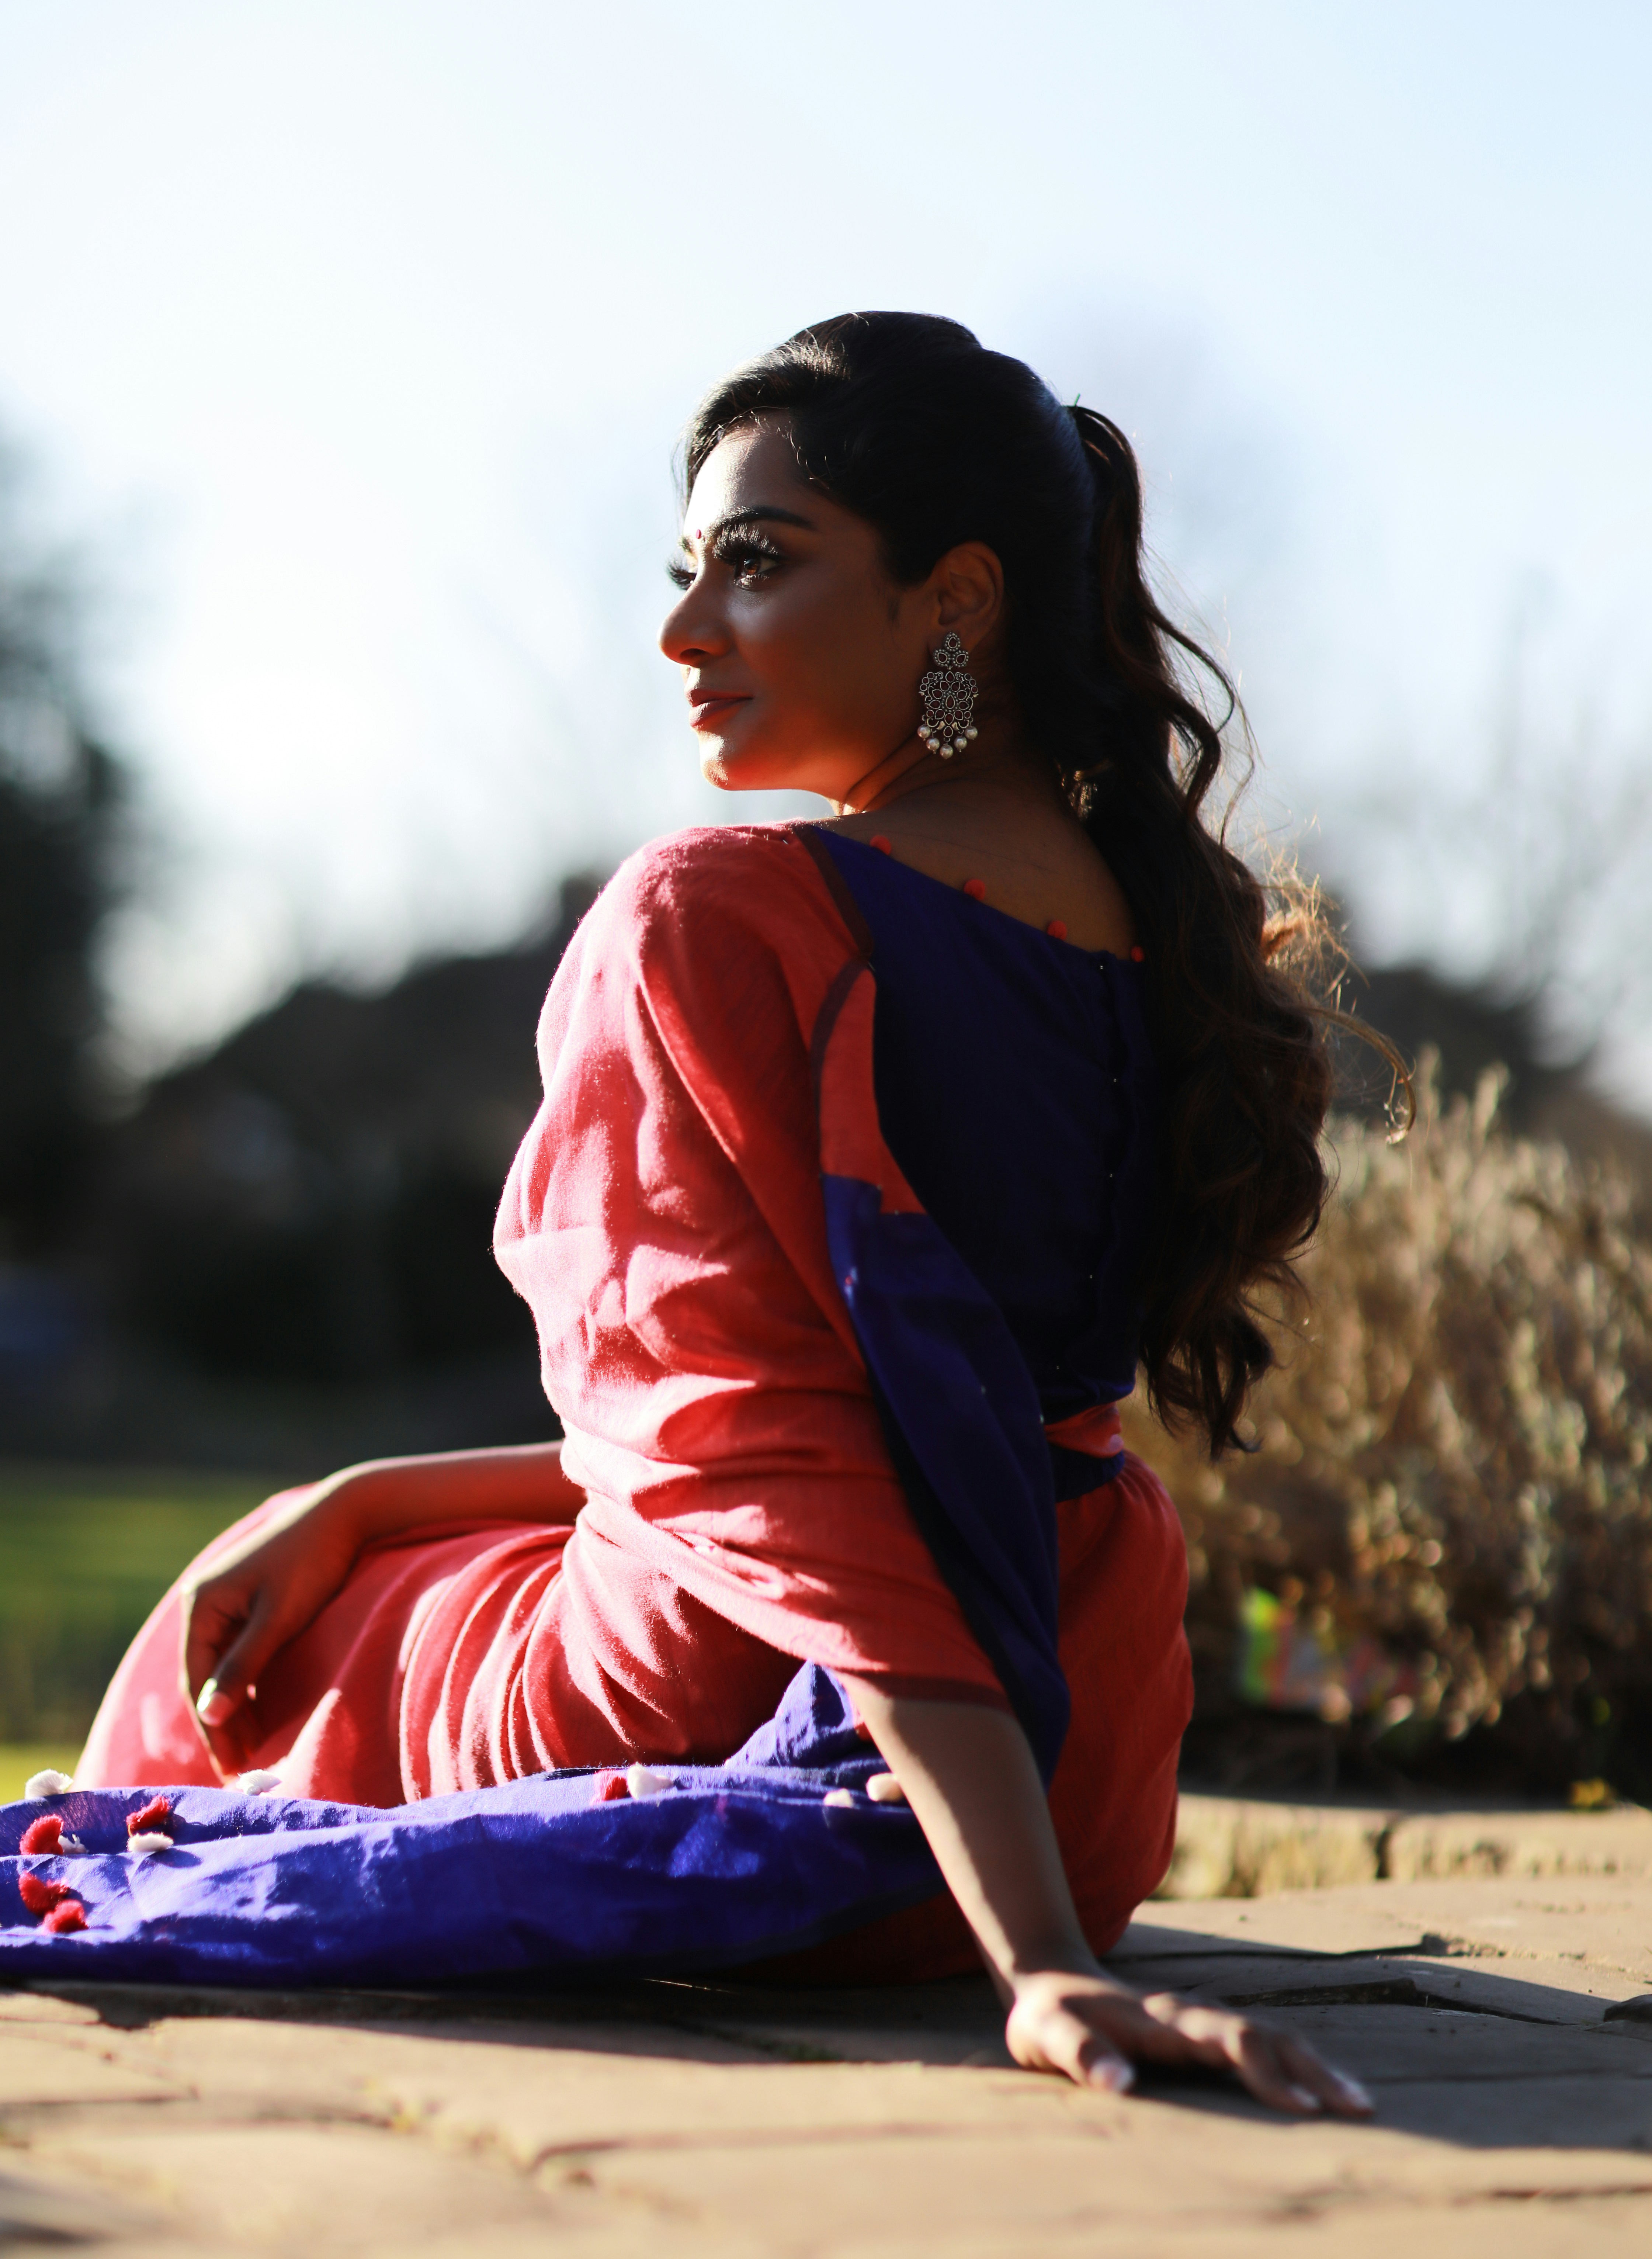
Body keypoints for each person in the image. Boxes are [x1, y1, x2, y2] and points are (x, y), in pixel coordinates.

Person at [78, 312, 1371, 2117]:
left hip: (778, 1757)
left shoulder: (718, 916)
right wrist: (363, 1491)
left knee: (241, 1671)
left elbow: (782, 1463)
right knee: (340, 1551)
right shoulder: (1157, 941)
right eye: (684, 572)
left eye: (756, 566)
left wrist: (1044, 1975)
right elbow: (894, 1433)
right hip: (1079, 1753)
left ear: (957, 600)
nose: (683, 633)